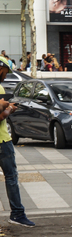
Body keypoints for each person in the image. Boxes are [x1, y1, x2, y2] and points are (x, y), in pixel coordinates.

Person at [0, 58, 35, 227]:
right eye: (6, 73)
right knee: (11, 177)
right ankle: (17, 214)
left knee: (11, 177)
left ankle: (18, 213)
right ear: (1, 69)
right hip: (2, 141)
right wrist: (9, 108)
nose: (5, 77)